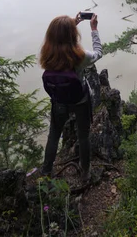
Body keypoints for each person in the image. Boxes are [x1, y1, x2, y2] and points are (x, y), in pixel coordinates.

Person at [39, 12, 102, 181]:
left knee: (53, 135)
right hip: (80, 100)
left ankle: (45, 172)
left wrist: (71, 24)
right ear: (73, 35)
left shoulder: (47, 55)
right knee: (83, 136)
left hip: (59, 101)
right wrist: (94, 29)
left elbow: (59, 37)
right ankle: (85, 172)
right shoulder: (80, 57)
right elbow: (98, 52)